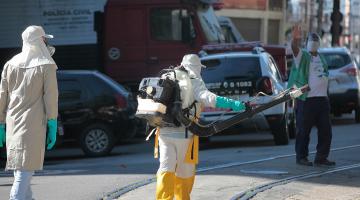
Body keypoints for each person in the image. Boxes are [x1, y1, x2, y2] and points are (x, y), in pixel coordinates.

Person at [155, 54, 245, 200]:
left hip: (163, 131)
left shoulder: (167, 75)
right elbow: (209, 98)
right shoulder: (194, 80)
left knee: (165, 169)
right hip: (185, 133)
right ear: (197, 67)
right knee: (185, 171)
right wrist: (233, 104)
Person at [0, 25, 58, 200]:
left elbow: (2, 96)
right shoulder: (46, 65)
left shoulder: (10, 64)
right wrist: (52, 122)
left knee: (21, 169)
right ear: (38, 41)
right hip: (32, 126)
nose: (46, 42)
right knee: (24, 173)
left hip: (13, 125)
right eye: (44, 39)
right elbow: (51, 97)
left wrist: (1, 123)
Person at [287, 24, 335, 166]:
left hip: (322, 100)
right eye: (310, 40)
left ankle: (321, 157)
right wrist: (295, 39)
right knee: (303, 131)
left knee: (326, 131)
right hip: (306, 100)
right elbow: (294, 49)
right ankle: (301, 157)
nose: (313, 42)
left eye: (315, 40)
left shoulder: (321, 57)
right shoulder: (302, 56)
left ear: (319, 43)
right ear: (307, 43)